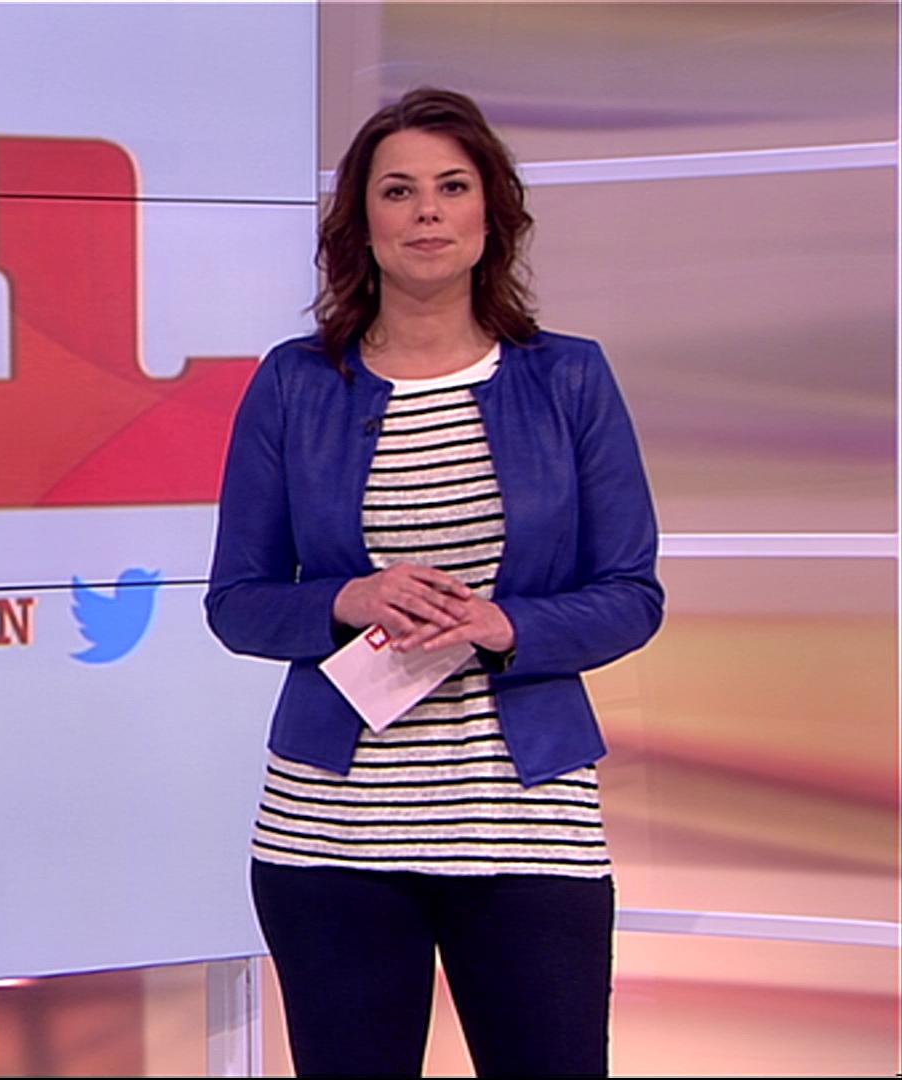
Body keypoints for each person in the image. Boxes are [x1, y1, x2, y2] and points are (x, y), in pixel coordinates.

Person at [205, 87, 663, 1077]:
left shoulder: (569, 379)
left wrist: (508, 626)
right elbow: (237, 601)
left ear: (491, 213)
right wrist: (344, 600)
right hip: (331, 835)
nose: (426, 212)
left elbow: (632, 593)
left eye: (452, 188)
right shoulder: (295, 383)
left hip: (528, 828)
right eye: (398, 190)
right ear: (361, 221)